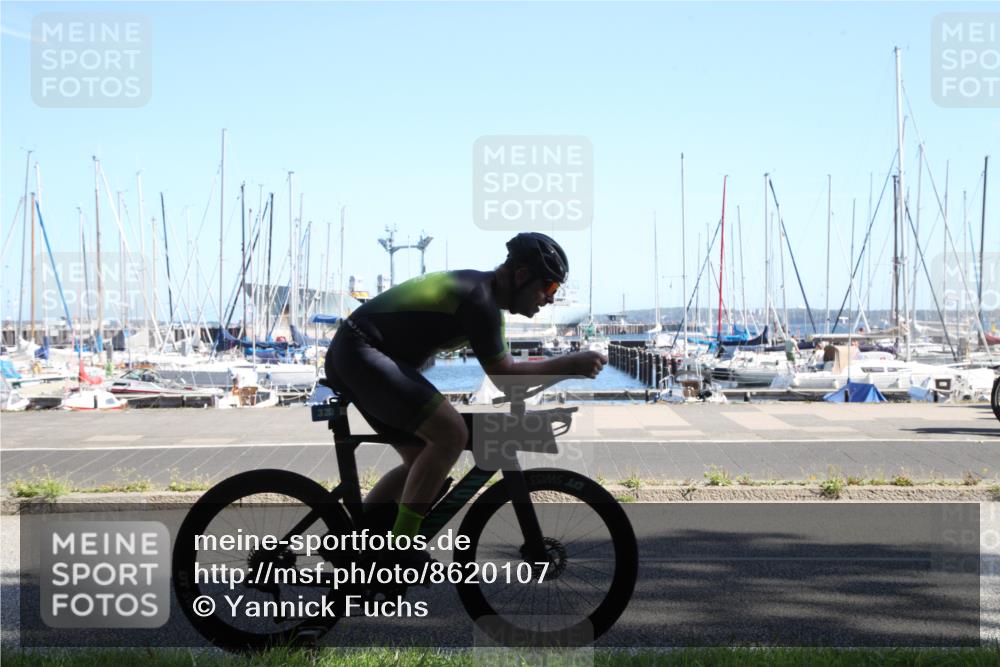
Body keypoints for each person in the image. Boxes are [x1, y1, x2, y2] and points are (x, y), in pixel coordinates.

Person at [323, 232, 606, 560]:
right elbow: (504, 377)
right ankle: (399, 549)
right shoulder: (479, 300)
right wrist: (569, 364)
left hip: (357, 354)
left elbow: (506, 375)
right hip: (361, 352)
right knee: (451, 434)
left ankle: (355, 544)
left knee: (421, 461)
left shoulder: (485, 300)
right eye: (550, 287)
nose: (551, 298)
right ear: (522, 275)